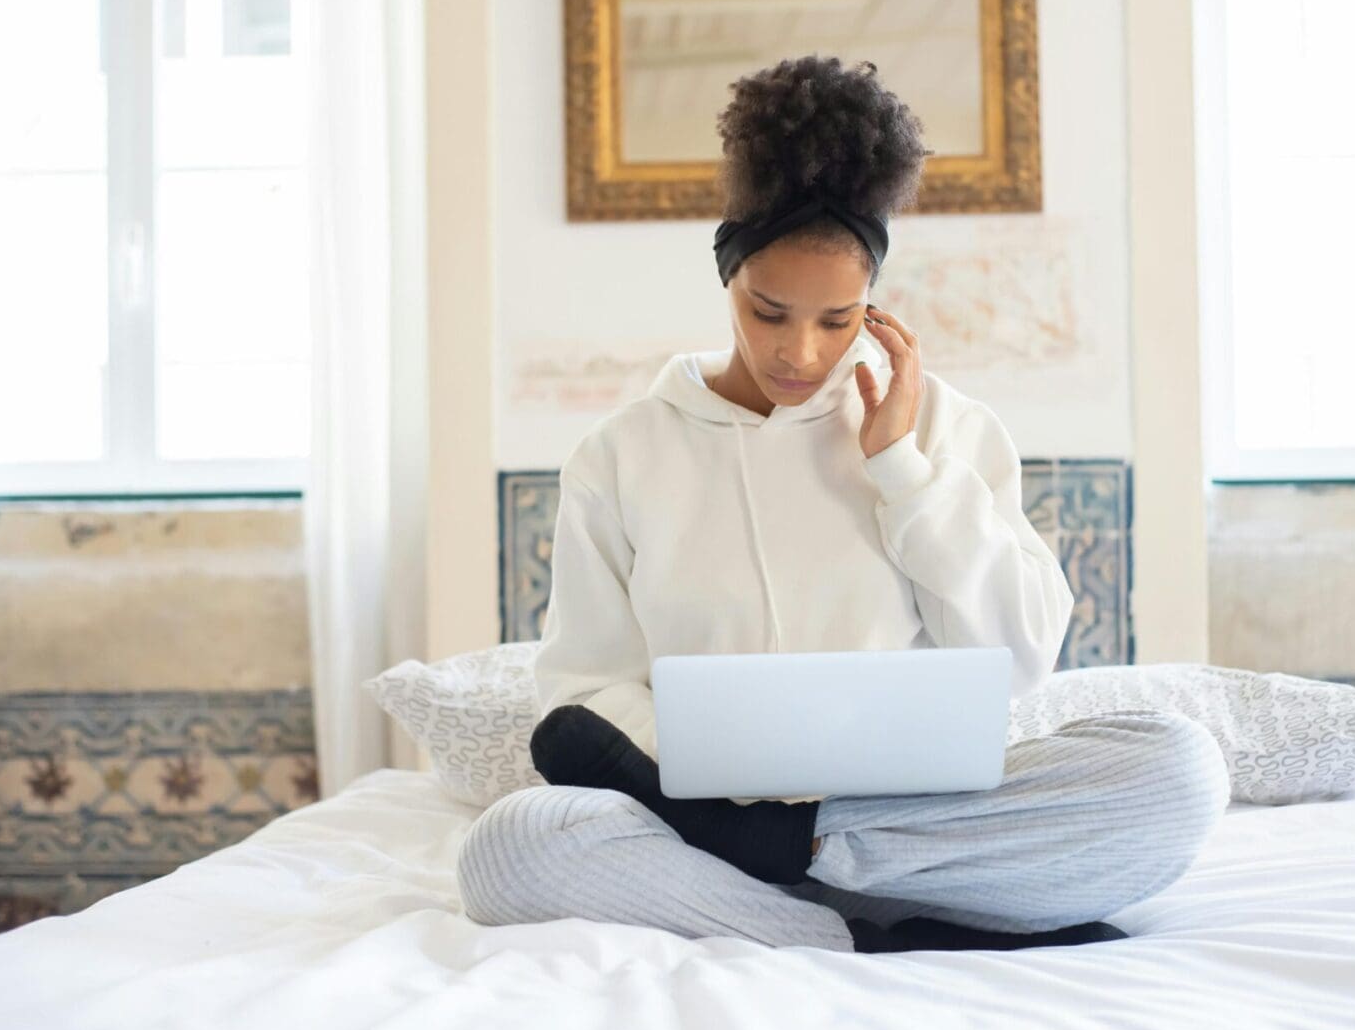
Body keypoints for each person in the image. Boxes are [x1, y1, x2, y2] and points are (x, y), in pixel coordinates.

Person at [457, 55, 1228, 954]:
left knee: (1176, 771)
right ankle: (853, 926)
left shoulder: (942, 427)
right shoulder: (621, 455)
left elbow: (1020, 659)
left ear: (873, 304)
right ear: (726, 279)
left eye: (838, 320)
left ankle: (797, 873)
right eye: (768, 311)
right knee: (511, 850)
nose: (801, 352)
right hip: (702, 823)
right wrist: (707, 775)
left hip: (912, 817)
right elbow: (582, 694)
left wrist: (900, 468)